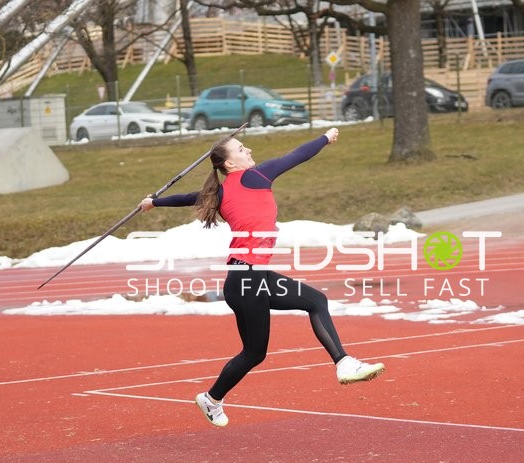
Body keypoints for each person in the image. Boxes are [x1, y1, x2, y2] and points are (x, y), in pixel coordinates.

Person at [138, 128, 385, 427]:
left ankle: (211, 399)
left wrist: (154, 202)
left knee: (255, 352)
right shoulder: (257, 176)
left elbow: (188, 198)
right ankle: (344, 363)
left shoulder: (218, 193)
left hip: (243, 280)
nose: (249, 151)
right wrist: (325, 137)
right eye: (241, 149)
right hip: (250, 278)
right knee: (314, 303)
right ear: (229, 164)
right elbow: (297, 156)